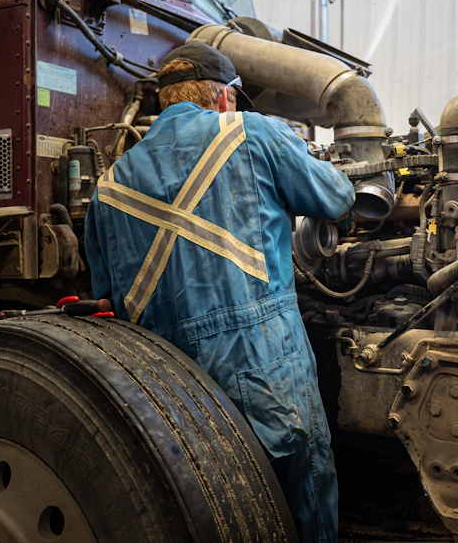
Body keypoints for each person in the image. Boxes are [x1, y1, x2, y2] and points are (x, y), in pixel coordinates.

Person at [84, 42, 353, 542]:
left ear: (165, 101)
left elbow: (106, 295)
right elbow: (336, 197)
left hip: (166, 392)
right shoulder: (253, 133)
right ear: (226, 97)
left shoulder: (108, 186)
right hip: (266, 369)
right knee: (304, 500)